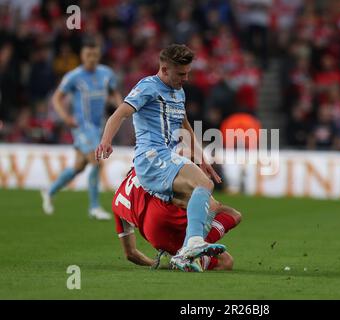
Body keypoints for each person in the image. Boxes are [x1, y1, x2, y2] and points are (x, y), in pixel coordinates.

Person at [96, 44, 225, 269]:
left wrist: (201, 157)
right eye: (181, 74)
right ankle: (192, 244)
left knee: (209, 205)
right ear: (164, 70)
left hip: (169, 158)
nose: (186, 78)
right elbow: (120, 113)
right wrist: (106, 140)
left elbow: (184, 125)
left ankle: (183, 255)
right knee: (203, 183)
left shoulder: (179, 91)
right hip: (152, 158)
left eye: (188, 73)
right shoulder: (148, 87)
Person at [40, 39, 122, 220]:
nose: (91, 58)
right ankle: (94, 207)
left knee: (79, 166)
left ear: (99, 54)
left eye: (94, 54)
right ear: (82, 56)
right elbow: (56, 98)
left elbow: (115, 92)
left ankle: (49, 190)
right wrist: (65, 117)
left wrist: (121, 108)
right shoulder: (73, 76)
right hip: (82, 127)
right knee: (96, 161)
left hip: (99, 126)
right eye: (87, 54)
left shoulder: (106, 73)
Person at [113, 168, 241, 271]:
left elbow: (130, 253)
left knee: (226, 260)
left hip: (153, 234)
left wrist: (155, 263)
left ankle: (179, 256)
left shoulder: (116, 200)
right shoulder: (146, 168)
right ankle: (192, 245)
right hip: (164, 212)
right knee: (232, 214)